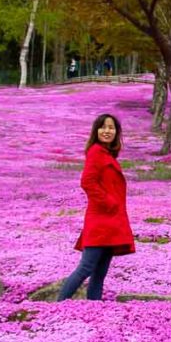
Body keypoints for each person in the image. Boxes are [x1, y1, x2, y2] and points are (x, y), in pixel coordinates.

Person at [57, 114, 135, 301]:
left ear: (117, 132)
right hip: (100, 219)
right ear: (96, 131)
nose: (107, 131)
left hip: (111, 222)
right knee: (86, 268)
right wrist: (108, 202)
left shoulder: (107, 154)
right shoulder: (96, 152)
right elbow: (87, 181)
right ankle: (57, 306)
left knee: (100, 273)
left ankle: (94, 308)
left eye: (111, 128)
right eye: (103, 127)